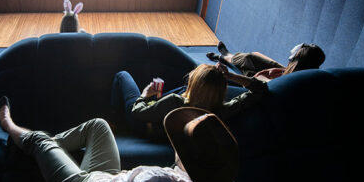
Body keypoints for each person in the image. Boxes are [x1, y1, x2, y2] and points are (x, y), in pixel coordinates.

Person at [0, 97, 238, 182]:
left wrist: (124, 178)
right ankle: (42, 151)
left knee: (41, 140)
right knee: (98, 126)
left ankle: (11, 127)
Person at [110, 63, 267, 138]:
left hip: (142, 124)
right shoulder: (222, 112)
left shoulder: (175, 102)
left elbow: (137, 112)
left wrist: (144, 94)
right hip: (165, 132)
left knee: (122, 75)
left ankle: (116, 122)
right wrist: (232, 76)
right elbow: (260, 89)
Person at [207, 41, 325, 82]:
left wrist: (263, 76)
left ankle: (223, 57)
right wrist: (282, 70)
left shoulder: (295, 83)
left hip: (267, 84)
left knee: (248, 71)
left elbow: (263, 85)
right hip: (285, 73)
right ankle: (228, 55)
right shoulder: (307, 72)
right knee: (250, 57)